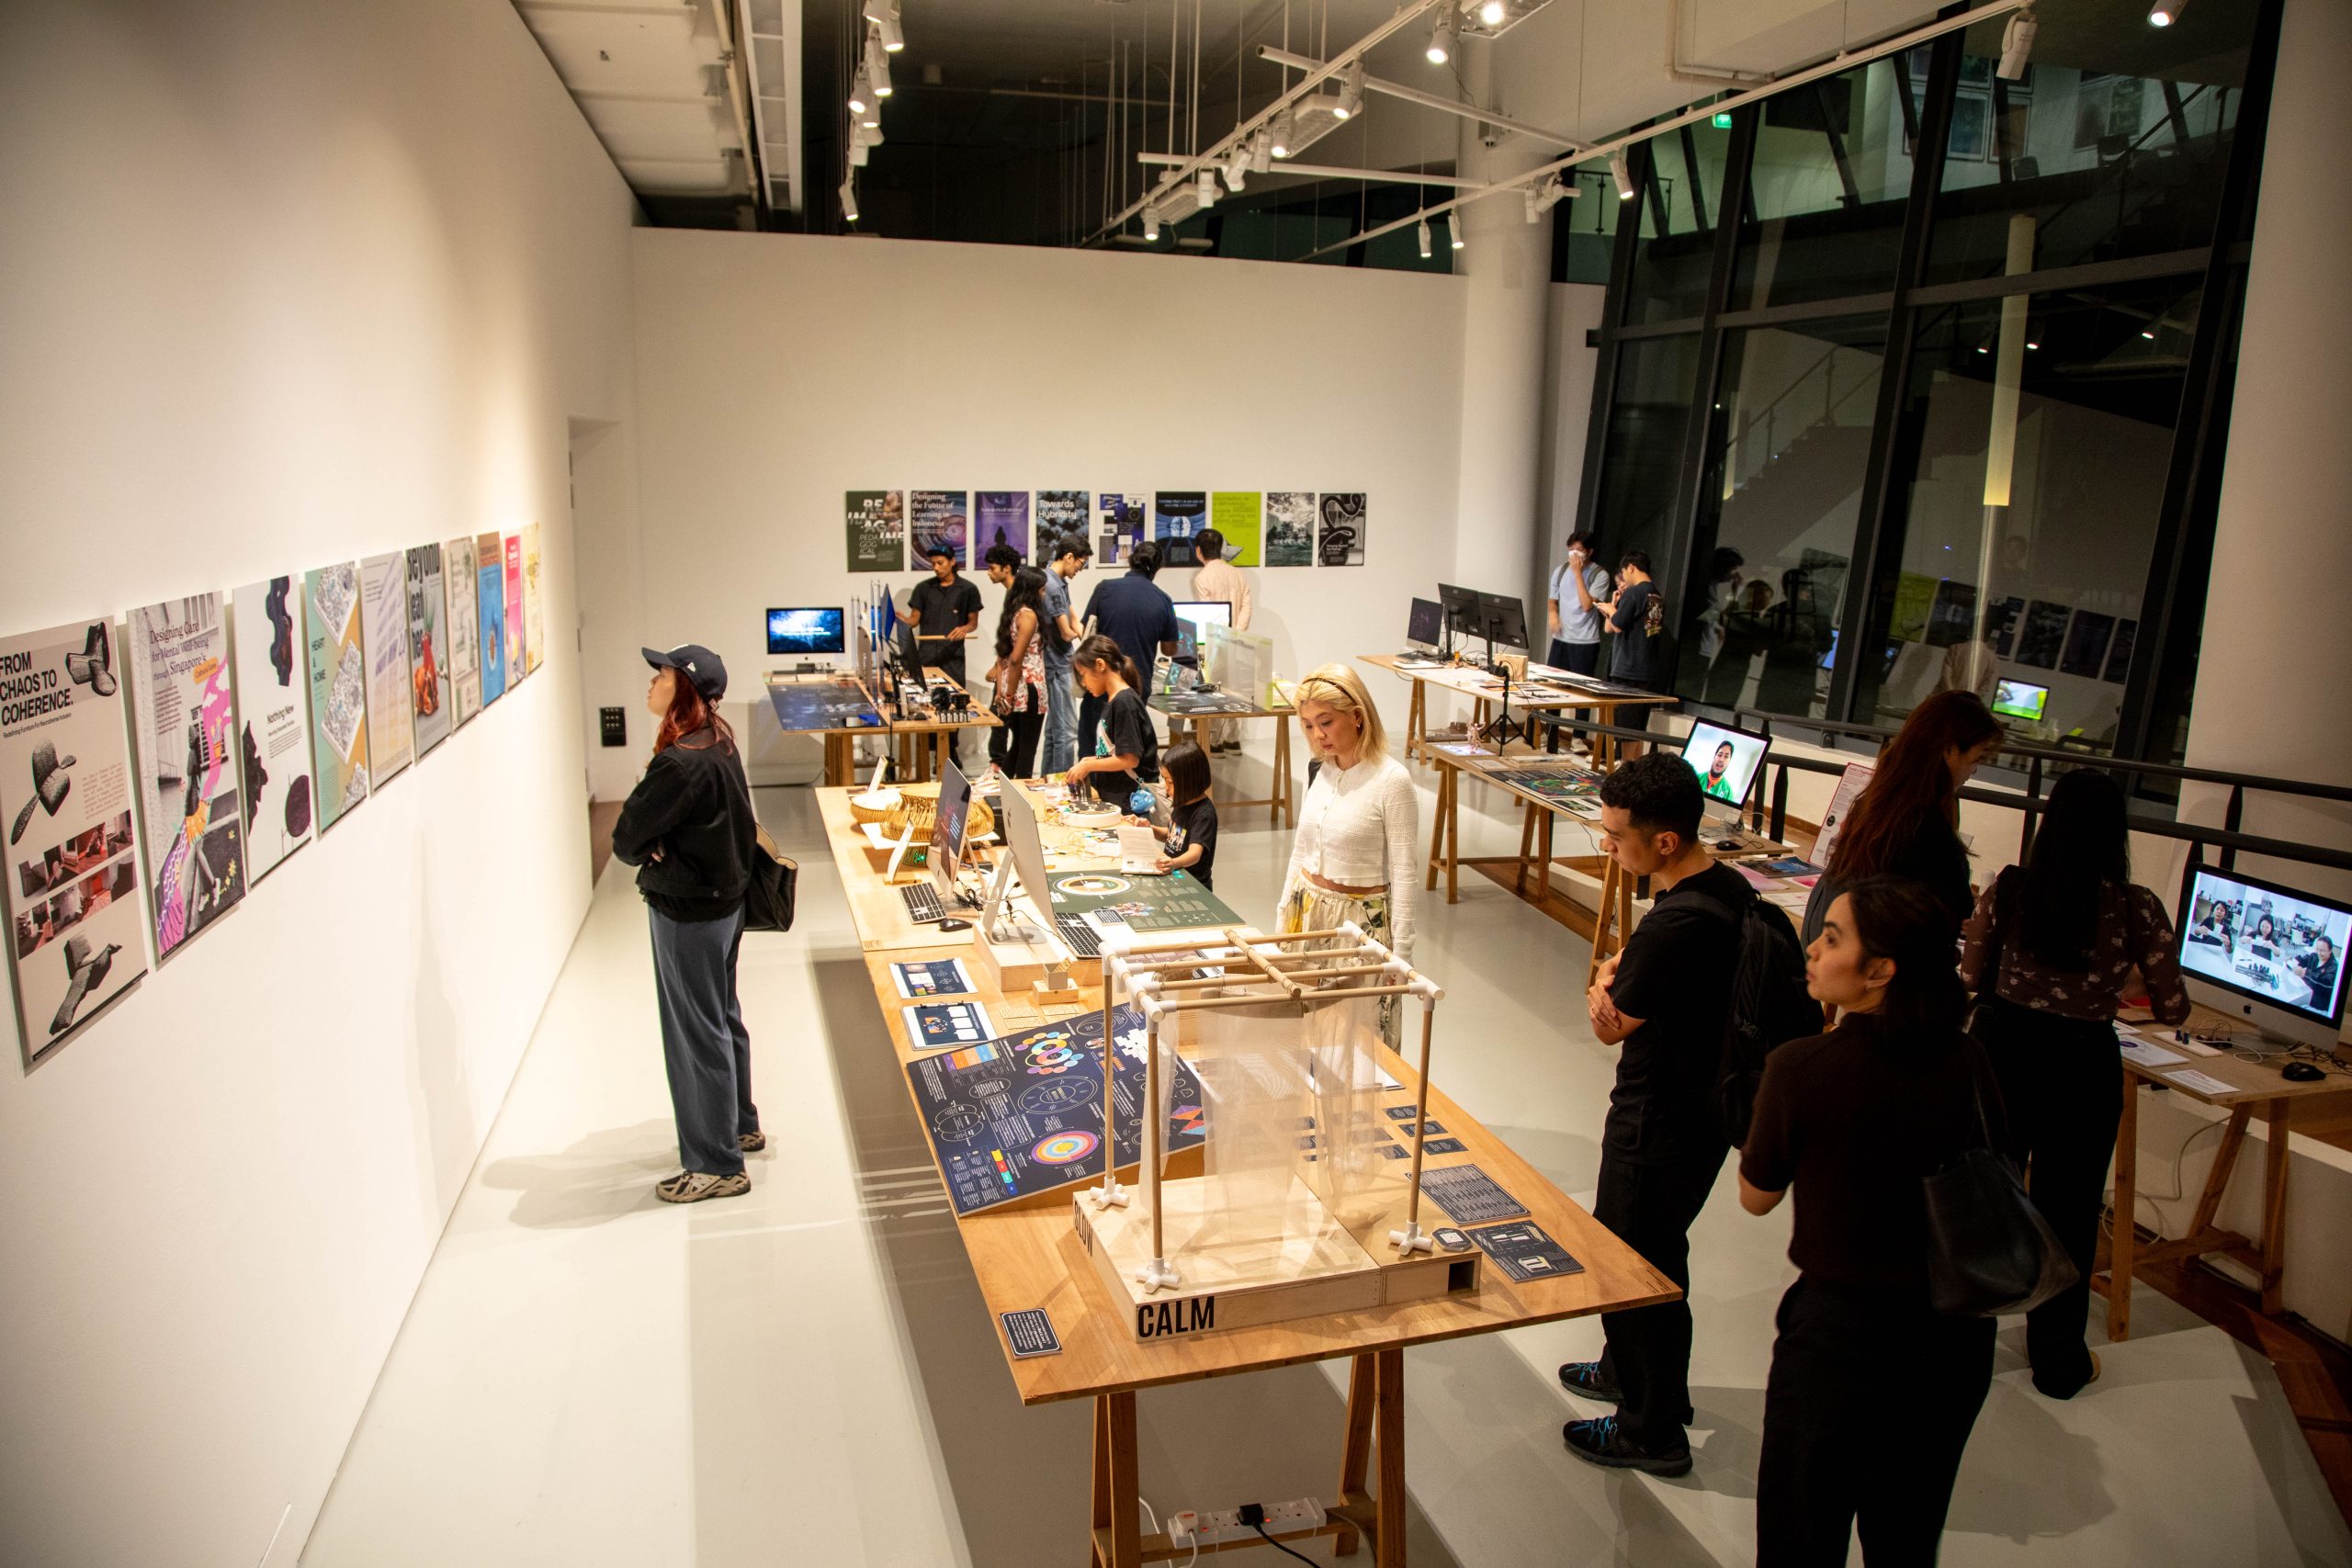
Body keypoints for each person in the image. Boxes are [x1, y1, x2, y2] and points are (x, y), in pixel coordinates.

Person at [1740, 877, 2005, 1566]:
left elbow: (1756, 1194)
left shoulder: (1800, 1067)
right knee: (1906, 1538)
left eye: (1832, 939)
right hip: (1952, 1339)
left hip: (1840, 1339)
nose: (1814, 950)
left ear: (1880, 970)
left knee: (1802, 1534)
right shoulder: (1968, 1059)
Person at [1961, 768, 2188, 1401]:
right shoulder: (2135, 905)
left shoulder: (2010, 889)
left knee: (1985, 1195)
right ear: (2117, 833)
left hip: (2004, 1052)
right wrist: (2114, 989)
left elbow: (1973, 969)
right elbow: (2173, 1006)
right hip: (2083, 1064)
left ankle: (1960, 1331)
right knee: (2069, 1212)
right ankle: (2057, 1359)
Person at [1560, 751, 1756, 1477]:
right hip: (1700, 1112)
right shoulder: (1728, 889)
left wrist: (1603, 990)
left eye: (1615, 835)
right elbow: (1633, 978)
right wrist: (1621, 972)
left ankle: (1651, 1426)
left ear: (1664, 840)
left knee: (1635, 1264)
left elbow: (1613, 1020)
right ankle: (1626, 1371)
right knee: (1652, 1250)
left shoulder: (1674, 927)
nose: (1608, 847)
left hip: (1658, 1117)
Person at [610, 643, 762, 1204]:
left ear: (686, 690)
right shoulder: (718, 740)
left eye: (663, 676)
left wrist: (652, 846)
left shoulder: (678, 762)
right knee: (721, 1019)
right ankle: (739, 1124)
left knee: (695, 1036)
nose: (652, 685)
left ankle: (717, 1164)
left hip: (688, 911)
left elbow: (626, 838)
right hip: (724, 905)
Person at [1279, 663, 1419, 1045]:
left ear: (1357, 716)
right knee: (1303, 1030)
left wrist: (1402, 954)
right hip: (1306, 914)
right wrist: (1283, 913)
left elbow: (1406, 872)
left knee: (1357, 1039)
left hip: (1360, 924)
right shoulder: (1320, 770)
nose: (1317, 734)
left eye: (1326, 721)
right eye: (1307, 725)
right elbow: (1302, 847)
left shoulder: (1391, 781)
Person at [1804, 691, 2005, 944]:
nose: (1974, 770)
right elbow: (1948, 906)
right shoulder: (1922, 824)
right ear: (1950, 750)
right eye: (1978, 758)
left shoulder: (1880, 802)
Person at [1080, 539, 1179, 759]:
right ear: (1157, 568)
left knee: (1092, 741)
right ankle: (1123, 791)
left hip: (1101, 678)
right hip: (1137, 682)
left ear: (1132, 560)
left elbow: (1086, 632)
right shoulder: (1163, 600)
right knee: (1125, 746)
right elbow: (1170, 649)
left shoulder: (1105, 588)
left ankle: (1087, 787)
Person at [1064, 634, 1159, 809]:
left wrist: (1089, 765)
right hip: (1119, 799)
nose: (1083, 683)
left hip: (1132, 804)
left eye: (1083, 675)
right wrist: (1087, 761)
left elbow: (1130, 759)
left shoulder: (1125, 702)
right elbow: (1116, 751)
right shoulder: (1116, 700)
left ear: (1100, 665)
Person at [909, 545, 982, 765]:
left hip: (953, 658)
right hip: (927, 657)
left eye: (940, 563)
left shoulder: (968, 589)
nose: (936, 568)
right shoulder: (923, 589)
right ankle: (935, 753)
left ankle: (951, 749)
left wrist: (964, 630)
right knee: (929, 704)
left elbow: (972, 623)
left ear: (952, 561)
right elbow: (914, 620)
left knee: (954, 705)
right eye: (933, 564)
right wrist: (899, 620)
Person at [1188, 527, 1254, 754]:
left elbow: (1207, 611)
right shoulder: (1236, 573)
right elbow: (1247, 604)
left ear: (1199, 551)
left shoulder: (1202, 577)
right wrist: (1237, 631)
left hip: (1213, 641)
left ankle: (1214, 742)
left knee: (1213, 691)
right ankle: (1233, 740)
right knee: (1233, 690)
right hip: (1236, 640)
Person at [983, 562, 1052, 778]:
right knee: (1027, 749)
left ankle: (1004, 791)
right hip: (1028, 688)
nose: (1043, 593)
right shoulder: (1029, 615)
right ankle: (1022, 796)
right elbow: (1014, 659)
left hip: (1018, 688)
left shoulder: (1013, 613)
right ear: (1032, 590)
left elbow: (1003, 656)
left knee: (1019, 744)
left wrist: (1002, 692)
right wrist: (1009, 694)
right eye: (1041, 589)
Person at [1599, 550, 1667, 750]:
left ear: (1631, 567)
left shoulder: (1634, 592)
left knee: (1626, 727)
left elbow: (1617, 624)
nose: (1624, 578)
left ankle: (1629, 768)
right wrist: (1614, 605)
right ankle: (1635, 767)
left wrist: (1610, 610)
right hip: (1646, 668)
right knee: (1637, 726)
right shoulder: (1656, 594)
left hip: (1628, 668)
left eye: (1624, 572)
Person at [1133, 739, 1220, 889]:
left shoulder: (1204, 814)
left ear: (1189, 781)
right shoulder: (1182, 803)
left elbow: (1195, 853)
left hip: (1194, 887)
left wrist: (1174, 863)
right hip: (1175, 879)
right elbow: (1172, 834)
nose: (1166, 789)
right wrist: (1149, 829)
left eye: (1170, 783)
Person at [1042, 536, 1088, 773]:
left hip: (1059, 662)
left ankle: (1047, 782)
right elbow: (1066, 633)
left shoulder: (1057, 582)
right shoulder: (1052, 586)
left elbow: (1074, 621)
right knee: (1067, 733)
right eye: (1080, 563)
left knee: (1054, 731)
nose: (1080, 569)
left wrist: (1086, 634)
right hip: (1058, 664)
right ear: (1069, 557)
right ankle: (1062, 786)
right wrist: (1083, 635)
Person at [1547, 531, 1611, 675]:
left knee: (1578, 688)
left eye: (1580, 550)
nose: (1574, 554)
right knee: (1551, 683)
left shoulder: (1600, 575)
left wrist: (1578, 573)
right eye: (1571, 550)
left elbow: (1587, 605)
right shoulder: (1560, 571)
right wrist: (1553, 615)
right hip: (1560, 639)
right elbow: (1552, 601)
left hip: (1585, 643)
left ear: (1590, 552)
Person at [2300, 935, 2339, 1008]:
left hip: (2317, 1004)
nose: (2319, 953)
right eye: (2317, 949)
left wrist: (2306, 973)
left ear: (2330, 951)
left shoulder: (2334, 966)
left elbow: (2326, 982)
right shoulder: (2314, 956)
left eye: (2322, 950)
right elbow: (2302, 960)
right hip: (2304, 993)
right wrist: (2292, 962)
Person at [1702, 739, 1740, 803]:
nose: (1721, 760)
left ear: (1729, 762)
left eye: (1726, 757)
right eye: (1719, 755)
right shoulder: (1696, 778)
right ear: (1714, 756)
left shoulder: (1728, 791)